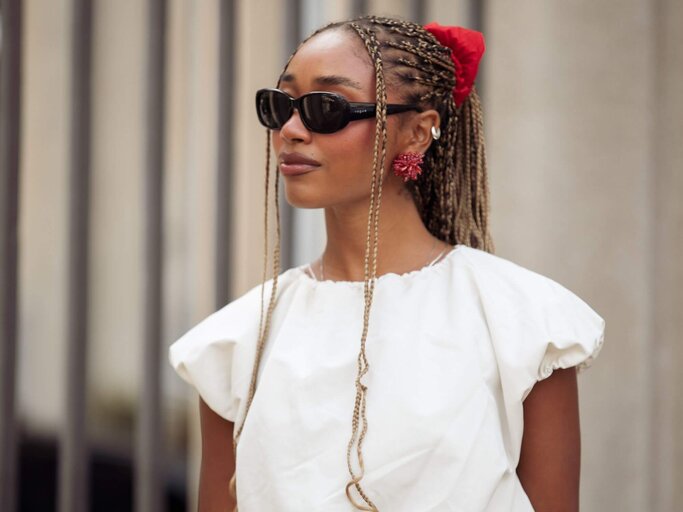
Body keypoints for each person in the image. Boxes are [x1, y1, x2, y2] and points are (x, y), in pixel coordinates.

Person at [169, 15, 605, 512]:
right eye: (280, 106)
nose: (290, 130)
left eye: (325, 107)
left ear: (418, 133)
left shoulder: (523, 322)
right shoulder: (236, 343)